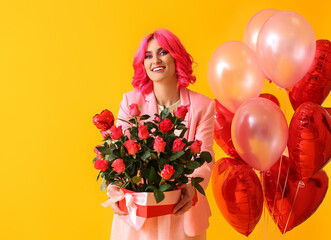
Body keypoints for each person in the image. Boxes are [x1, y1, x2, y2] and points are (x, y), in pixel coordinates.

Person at [110, 29, 215, 240]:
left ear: (176, 57)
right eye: (148, 56)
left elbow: (205, 159)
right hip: (138, 219)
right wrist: (115, 190)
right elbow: (118, 153)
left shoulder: (203, 106)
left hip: (183, 212)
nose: (155, 60)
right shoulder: (131, 102)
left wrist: (191, 189)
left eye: (162, 52)